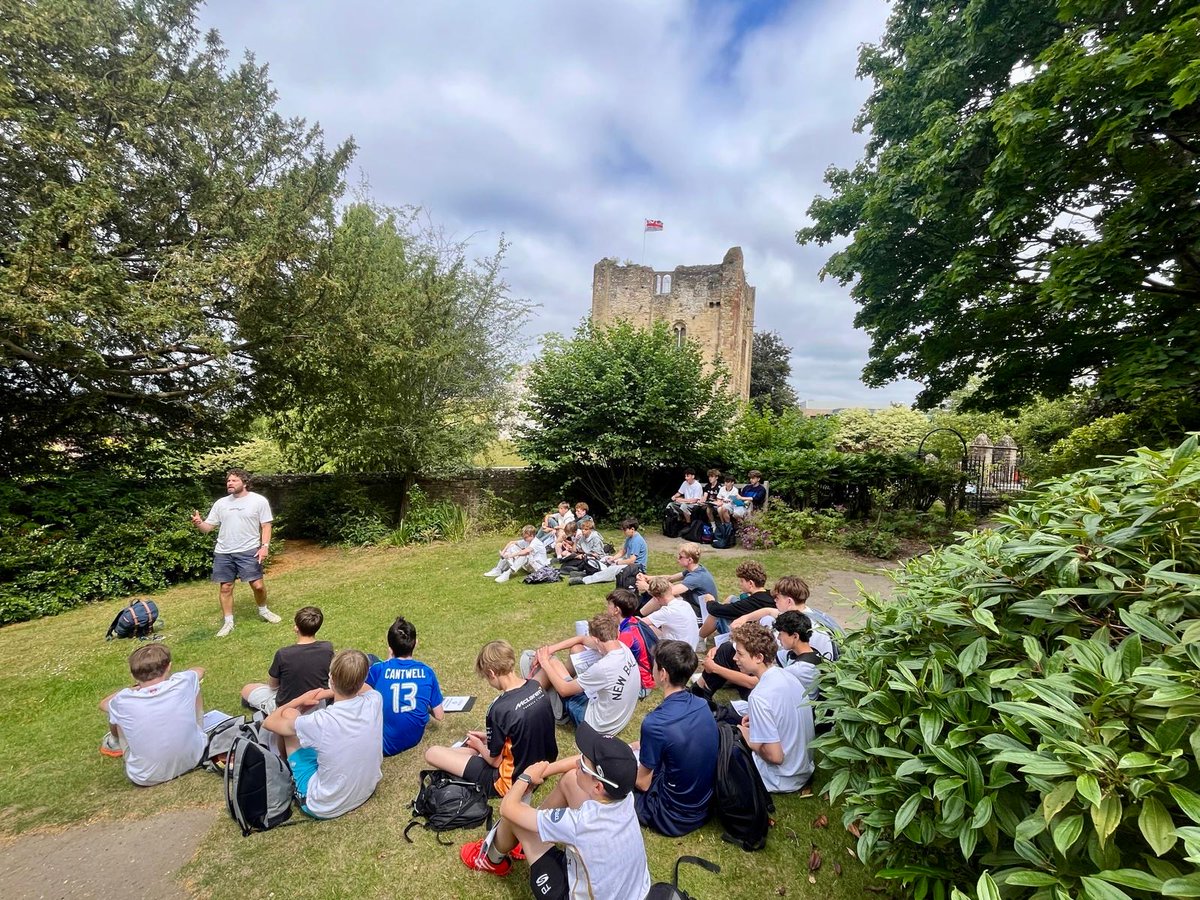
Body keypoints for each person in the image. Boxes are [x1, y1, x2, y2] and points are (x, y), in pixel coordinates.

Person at [458, 723, 652, 900]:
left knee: (515, 817)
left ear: (598, 787)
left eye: (583, 765)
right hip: (632, 893)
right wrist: (545, 771)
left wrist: (525, 777)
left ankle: (491, 859)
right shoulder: (625, 795)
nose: (578, 763)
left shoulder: (580, 823)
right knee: (569, 779)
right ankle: (530, 835)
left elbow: (508, 808)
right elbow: (577, 767)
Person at [424, 640, 557, 800]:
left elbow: (495, 762)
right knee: (472, 749)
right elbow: (525, 731)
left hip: (513, 781)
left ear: (492, 673)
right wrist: (489, 738)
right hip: (544, 767)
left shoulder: (499, 709)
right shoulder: (536, 687)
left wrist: (480, 746)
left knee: (432, 753)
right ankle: (474, 750)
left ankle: (472, 751)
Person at [262, 648, 383, 819]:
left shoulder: (319, 721)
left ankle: (286, 768)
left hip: (323, 805)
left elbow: (269, 722)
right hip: (366, 790)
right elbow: (365, 687)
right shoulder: (375, 699)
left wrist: (300, 699)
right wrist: (329, 692)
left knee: (289, 715)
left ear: (331, 679)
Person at [692, 575, 839, 700]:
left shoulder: (798, 630)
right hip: (791, 670)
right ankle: (701, 689)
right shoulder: (804, 615)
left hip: (790, 686)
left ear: (788, 601)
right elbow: (769, 611)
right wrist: (745, 618)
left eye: (777, 598)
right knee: (728, 649)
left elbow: (761, 677)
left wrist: (717, 668)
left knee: (728, 653)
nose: (774, 601)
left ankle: (702, 691)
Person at [633, 639, 717, 836]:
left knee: (612, 784)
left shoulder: (655, 723)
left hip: (672, 815)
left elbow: (642, 783)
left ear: (663, 674)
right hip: (703, 804)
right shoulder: (702, 705)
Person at [99, 643, 206, 786]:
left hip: (146, 777)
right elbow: (199, 670)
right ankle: (199, 729)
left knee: (117, 714)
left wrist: (135, 688)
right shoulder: (183, 681)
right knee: (195, 688)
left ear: (133, 675)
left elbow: (104, 704)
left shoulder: (123, 700)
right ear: (169, 666)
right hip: (195, 758)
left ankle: (114, 741)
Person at [190, 468, 280, 638]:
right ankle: (228, 622)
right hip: (224, 552)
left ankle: (264, 611)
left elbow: (266, 525)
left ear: (245, 483)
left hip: (249, 550)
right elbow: (207, 528)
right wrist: (199, 523)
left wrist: (265, 546)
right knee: (226, 587)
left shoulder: (258, 501)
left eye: (234, 480)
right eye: (228, 481)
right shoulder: (221, 503)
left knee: (258, 586)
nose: (229, 483)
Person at [732, 622, 814, 793]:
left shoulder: (760, 696)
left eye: (740, 653)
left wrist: (750, 740)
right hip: (803, 768)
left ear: (759, 657)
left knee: (726, 738)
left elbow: (775, 757)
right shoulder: (787, 676)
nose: (735, 658)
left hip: (781, 778)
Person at [528, 613, 639, 737]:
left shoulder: (603, 667)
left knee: (552, 663)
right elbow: (581, 639)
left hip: (596, 725)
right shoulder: (623, 648)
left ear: (596, 639)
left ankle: (531, 698)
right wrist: (550, 649)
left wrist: (544, 661)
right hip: (617, 719)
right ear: (618, 633)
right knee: (576, 649)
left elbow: (564, 690)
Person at [365, 616, 445, 757]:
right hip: (414, 739)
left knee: (370, 659)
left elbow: (357, 690)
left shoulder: (379, 669)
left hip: (384, 744)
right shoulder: (427, 671)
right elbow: (439, 715)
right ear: (415, 643)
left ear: (390, 647)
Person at [240, 606, 334, 715]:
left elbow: (273, 685)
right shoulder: (327, 648)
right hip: (319, 704)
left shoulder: (283, 654)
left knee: (247, 689)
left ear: (296, 628)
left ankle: (269, 711)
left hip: (288, 709)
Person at [635, 541, 718, 619]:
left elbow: (666, 593)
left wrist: (646, 587)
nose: (678, 558)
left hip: (700, 614)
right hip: (694, 605)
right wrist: (648, 577)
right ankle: (638, 616)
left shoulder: (696, 577)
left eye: (681, 557)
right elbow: (670, 578)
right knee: (666, 586)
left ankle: (637, 617)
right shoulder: (696, 569)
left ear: (690, 560)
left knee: (663, 596)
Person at [699, 560, 775, 639]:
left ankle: (699, 638)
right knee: (732, 598)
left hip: (750, 637)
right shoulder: (770, 594)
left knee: (717, 614)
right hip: (762, 628)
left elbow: (714, 609)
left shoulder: (750, 603)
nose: (740, 584)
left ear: (750, 583)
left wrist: (710, 601)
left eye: (742, 581)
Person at [606, 589, 655, 696]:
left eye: (609, 605)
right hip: (647, 677)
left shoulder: (627, 635)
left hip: (641, 686)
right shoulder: (634, 621)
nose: (606, 608)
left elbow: (610, 660)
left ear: (616, 610)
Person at [572, 517, 647, 586]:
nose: (623, 532)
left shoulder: (636, 541)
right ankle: (588, 572)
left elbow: (632, 560)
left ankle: (585, 579)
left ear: (632, 529)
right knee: (605, 559)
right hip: (630, 564)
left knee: (612, 569)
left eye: (625, 530)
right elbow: (623, 551)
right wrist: (613, 559)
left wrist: (618, 562)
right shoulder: (630, 538)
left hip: (637, 568)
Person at [642, 576, 701, 650]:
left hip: (677, 651)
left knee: (643, 628)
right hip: (691, 647)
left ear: (656, 598)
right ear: (670, 589)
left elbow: (639, 622)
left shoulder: (666, 612)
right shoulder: (685, 604)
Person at [484, 525, 549, 583]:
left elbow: (526, 552)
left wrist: (510, 555)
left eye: (525, 537)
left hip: (539, 568)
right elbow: (512, 542)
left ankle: (508, 573)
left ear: (532, 535)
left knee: (525, 555)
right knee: (512, 547)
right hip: (531, 564)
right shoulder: (528, 540)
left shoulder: (536, 542)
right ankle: (498, 569)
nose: (524, 539)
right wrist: (503, 553)